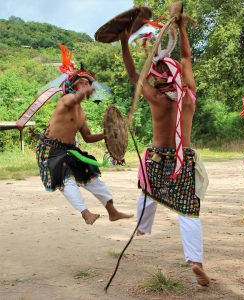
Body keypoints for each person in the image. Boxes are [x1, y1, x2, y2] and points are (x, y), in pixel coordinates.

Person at [120, 14, 210, 286]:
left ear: (158, 79)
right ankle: (195, 261)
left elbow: (134, 73)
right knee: (189, 211)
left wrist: (125, 42)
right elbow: (186, 58)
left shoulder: (156, 98)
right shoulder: (189, 95)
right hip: (184, 161)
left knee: (147, 189)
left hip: (158, 159)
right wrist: (181, 28)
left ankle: (142, 227)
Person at [35, 47, 133, 225]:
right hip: (51, 150)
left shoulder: (82, 114)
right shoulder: (66, 100)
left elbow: (87, 137)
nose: (89, 88)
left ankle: (112, 211)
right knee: (67, 180)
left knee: (93, 177)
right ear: (76, 84)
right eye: (86, 84)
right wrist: (84, 92)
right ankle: (86, 213)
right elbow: (74, 99)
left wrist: (107, 135)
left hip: (70, 151)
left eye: (90, 85)